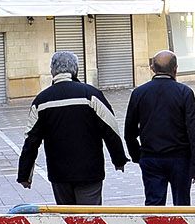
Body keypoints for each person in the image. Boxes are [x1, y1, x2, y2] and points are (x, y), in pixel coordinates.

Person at [17, 51, 128, 205]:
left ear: (52, 71)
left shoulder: (41, 101)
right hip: (90, 171)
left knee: (68, 220)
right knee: (90, 219)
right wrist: (119, 159)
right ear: (75, 70)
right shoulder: (91, 95)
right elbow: (110, 129)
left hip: (59, 174)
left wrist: (25, 175)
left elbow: (31, 140)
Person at [124, 51, 195, 206]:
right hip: (180, 158)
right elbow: (193, 131)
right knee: (182, 206)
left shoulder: (139, 93)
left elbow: (129, 131)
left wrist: (138, 156)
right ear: (175, 69)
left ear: (152, 68)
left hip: (151, 156)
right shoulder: (184, 92)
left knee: (154, 205)